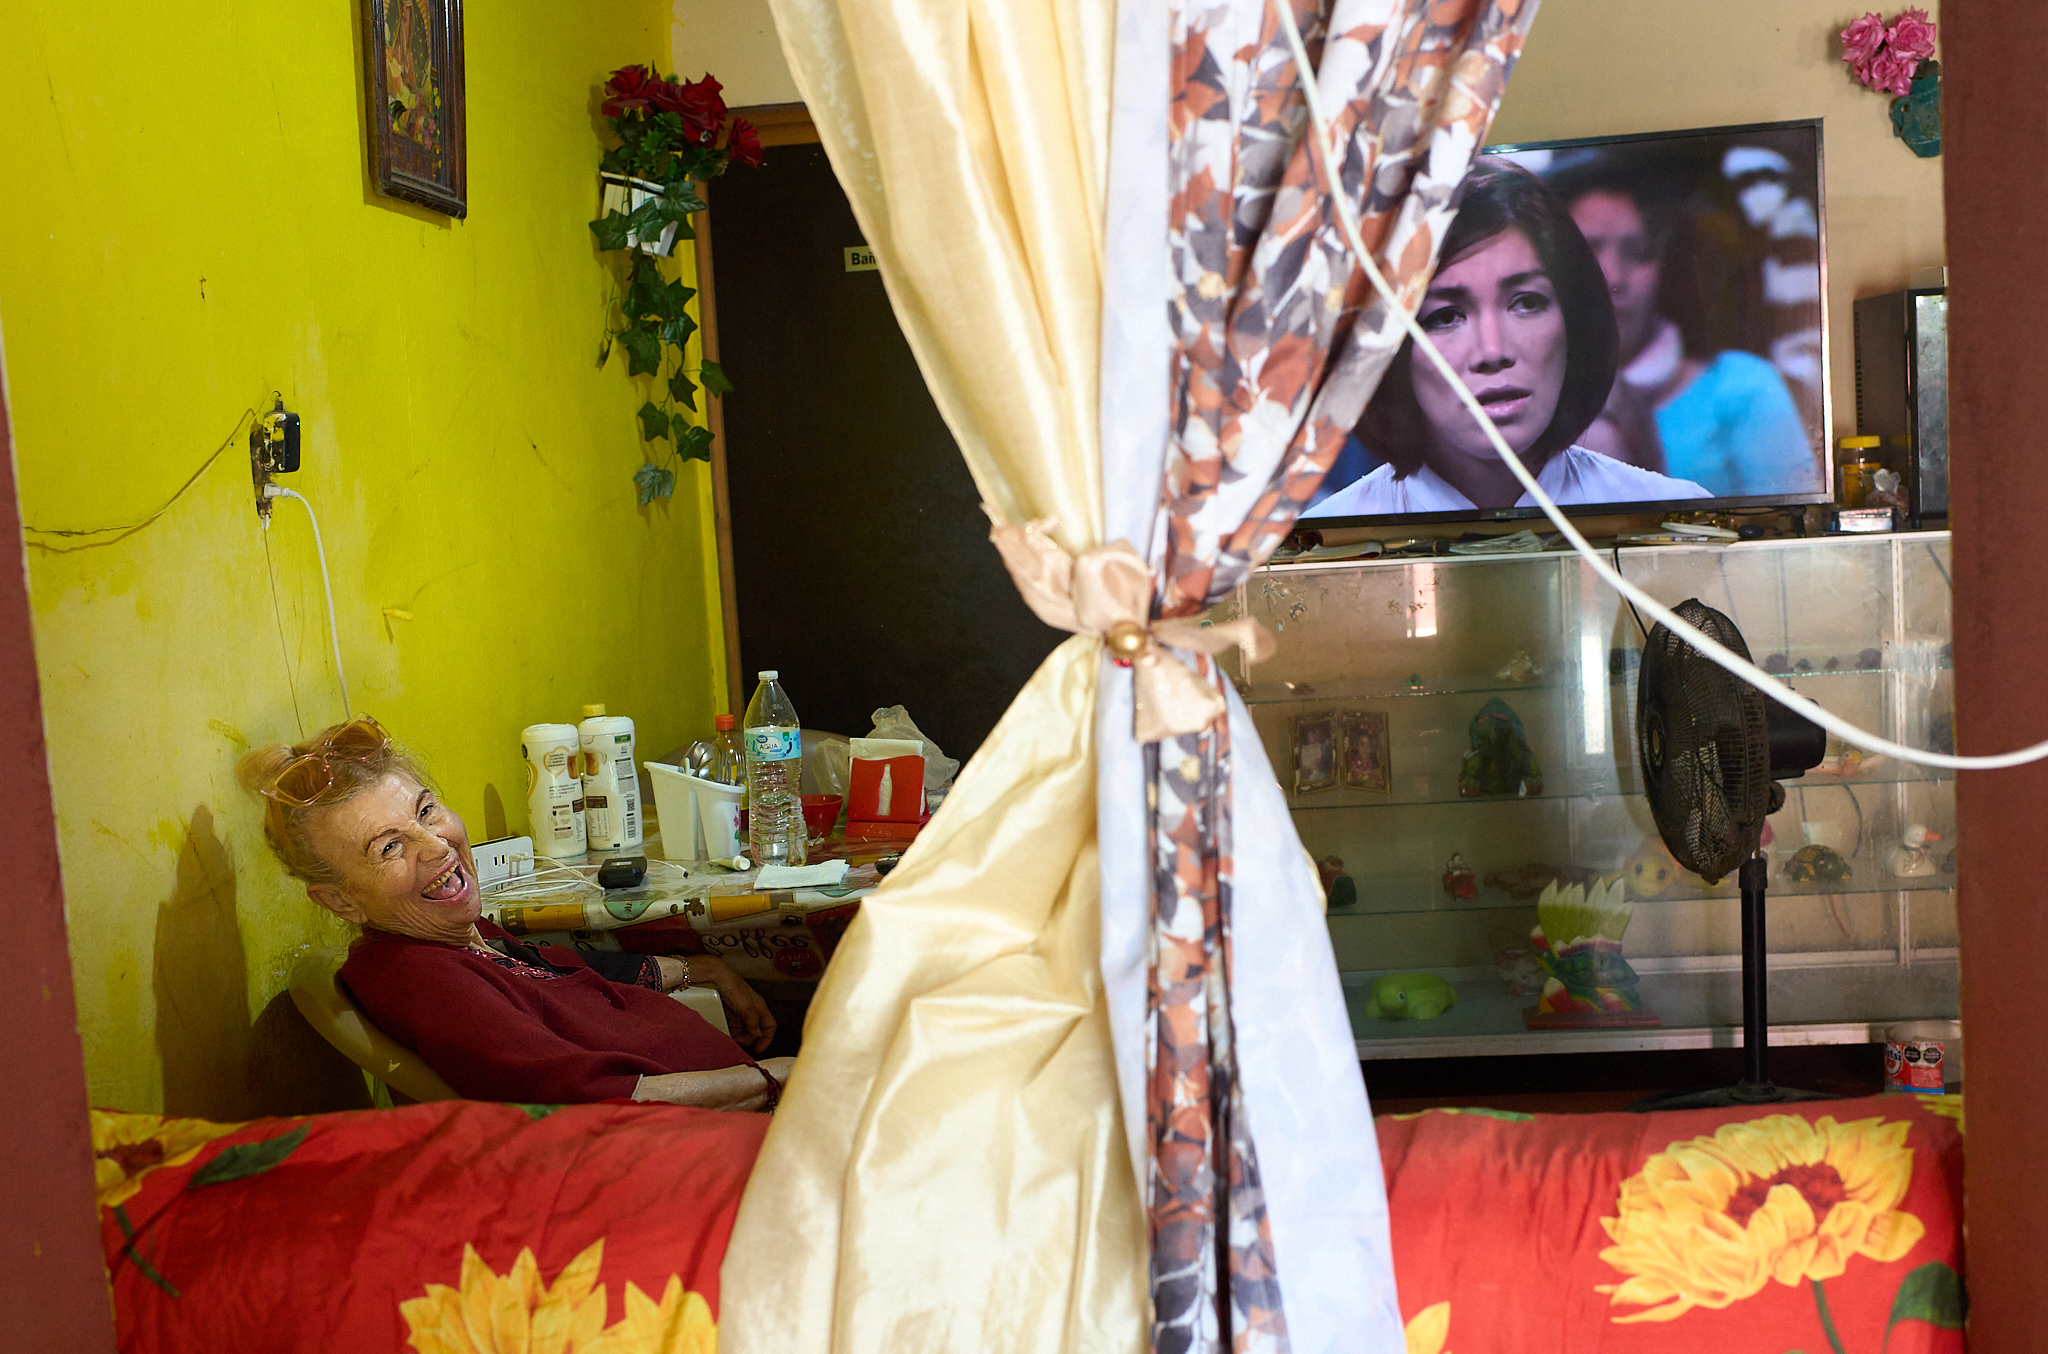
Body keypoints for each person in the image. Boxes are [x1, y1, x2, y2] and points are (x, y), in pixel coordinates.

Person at [240, 715, 793, 1108]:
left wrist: (698, 968)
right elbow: (590, 1101)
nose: (436, 845)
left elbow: (559, 970)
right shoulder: (420, 979)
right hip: (696, 1148)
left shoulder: (459, 937)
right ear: (340, 900)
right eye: (388, 847)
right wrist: (778, 1079)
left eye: (426, 811)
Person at [1310, 162, 1709, 517]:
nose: (1493, 351)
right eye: (1445, 316)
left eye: (1526, 303)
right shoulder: (1318, 551)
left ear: (1574, 324)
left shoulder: (1681, 524)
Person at [1558, 166, 1813, 496]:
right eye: (1588, 252)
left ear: (1668, 267)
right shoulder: (1524, 406)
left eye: (1638, 252)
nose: (1614, 277)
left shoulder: (1743, 387)